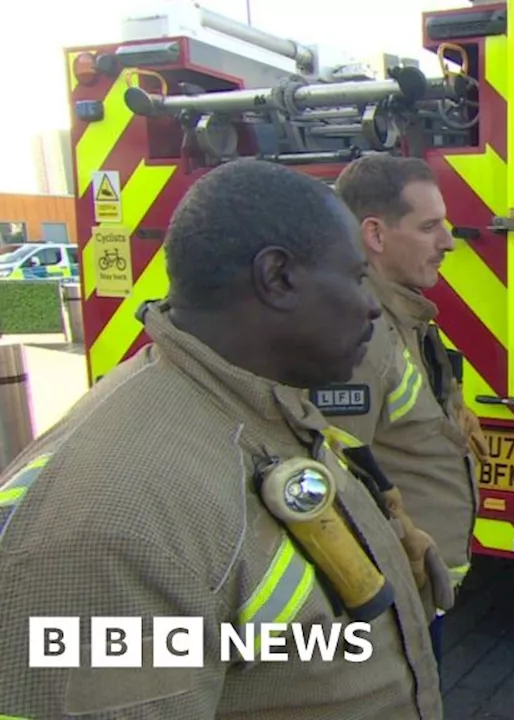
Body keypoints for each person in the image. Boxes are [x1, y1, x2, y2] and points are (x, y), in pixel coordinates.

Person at [0, 159, 444, 718]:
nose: (372, 304)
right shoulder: (117, 527)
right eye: (356, 277)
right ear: (277, 277)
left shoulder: (257, 407)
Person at [324, 154, 487, 671]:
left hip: (413, 595)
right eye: (429, 227)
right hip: (386, 604)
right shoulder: (359, 333)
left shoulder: (398, 314)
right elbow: (336, 476)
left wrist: (450, 410)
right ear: (374, 233)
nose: (448, 241)